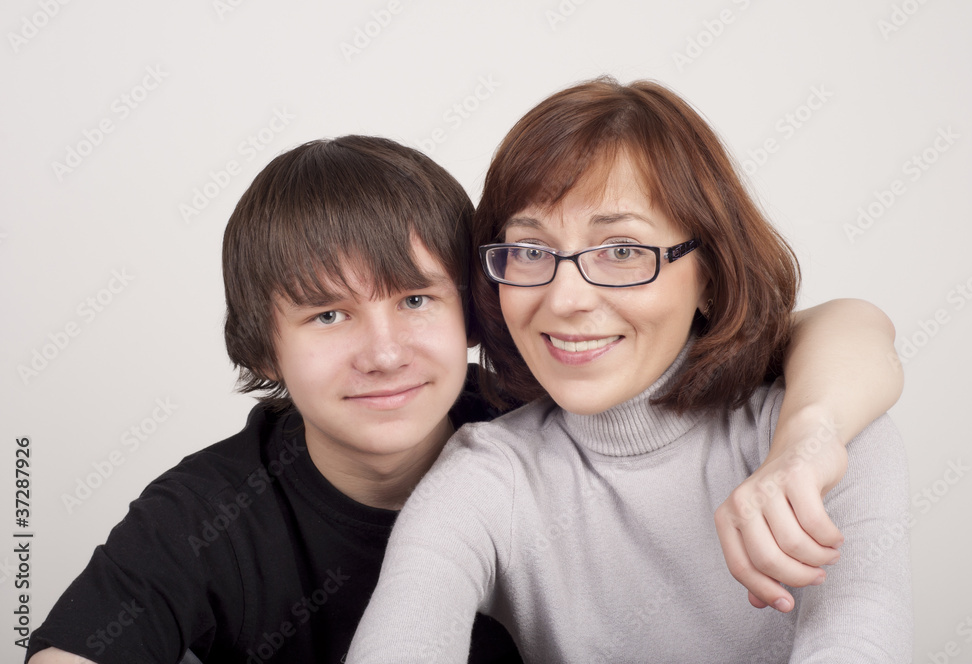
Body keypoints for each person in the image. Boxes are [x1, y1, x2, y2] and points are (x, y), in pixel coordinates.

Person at [28, 133, 900, 664]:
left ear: (476, 309)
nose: (383, 352)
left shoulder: (543, 407)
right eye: (328, 314)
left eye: (416, 300)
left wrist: (811, 434)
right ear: (265, 345)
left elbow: (837, 325)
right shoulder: (207, 512)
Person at [347, 79, 912, 663]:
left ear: (710, 273)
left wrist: (808, 441)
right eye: (532, 250)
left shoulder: (827, 437)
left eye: (621, 250)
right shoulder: (488, 478)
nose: (565, 298)